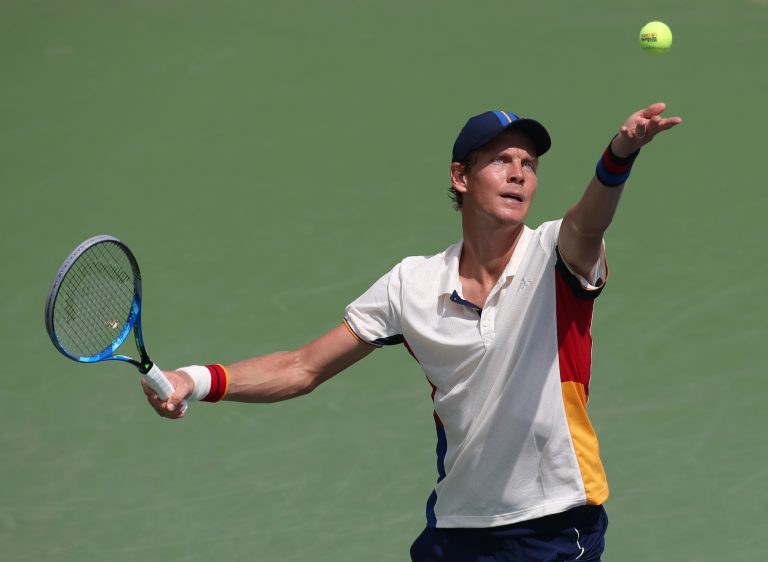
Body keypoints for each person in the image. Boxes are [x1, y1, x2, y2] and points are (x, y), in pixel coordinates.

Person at [143, 103, 682, 561]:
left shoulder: (557, 255)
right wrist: (194, 379)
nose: (520, 173)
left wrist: (619, 157)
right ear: (461, 177)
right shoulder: (412, 284)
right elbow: (303, 367)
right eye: (501, 160)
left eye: (529, 163)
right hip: (456, 528)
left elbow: (589, 223)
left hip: (554, 524)